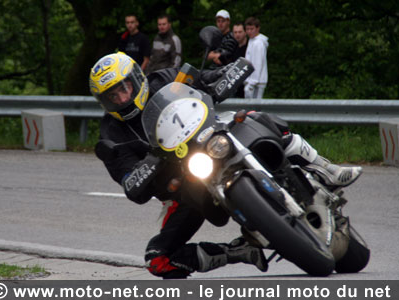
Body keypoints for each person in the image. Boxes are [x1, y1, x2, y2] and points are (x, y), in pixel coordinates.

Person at [89, 52, 362, 279]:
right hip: (184, 183)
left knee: (257, 119)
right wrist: (148, 164)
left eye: (124, 88)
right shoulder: (111, 134)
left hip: (215, 136)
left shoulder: (165, 79)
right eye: (112, 96)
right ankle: (240, 251)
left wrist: (229, 72)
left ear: (136, 78)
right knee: (157, 259)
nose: (122, 98)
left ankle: (325, 168)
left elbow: (205, 80)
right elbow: (129, 182)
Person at [244, 17, 268, 99]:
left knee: (254, 108)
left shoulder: (258, 43)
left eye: (252, 29)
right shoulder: (252, 41)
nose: (249, 31)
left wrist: (252, 82)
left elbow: (257, 63)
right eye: (247, 29)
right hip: (252, 81)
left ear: (258, 28)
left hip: (256, 82)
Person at [232, 22, 248, 97]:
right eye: (235, 32)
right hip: (235, 84)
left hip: (247, 84)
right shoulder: (233, 47)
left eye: (240, 32)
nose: (237, 35)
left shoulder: (249, 47)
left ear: (245, 32)